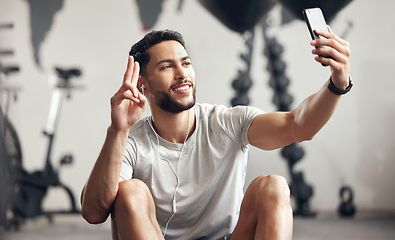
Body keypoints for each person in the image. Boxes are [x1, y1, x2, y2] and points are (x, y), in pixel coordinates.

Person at [81, 28, 351, 240]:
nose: (181, 74)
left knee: (274, 186)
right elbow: (93, 213)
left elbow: (297, 125)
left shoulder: (227, 122)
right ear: (143, 84)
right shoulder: (130, 140)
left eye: (185, 63)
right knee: (129, 192)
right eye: (166, 67)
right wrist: (118, 130)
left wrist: (337, 84)